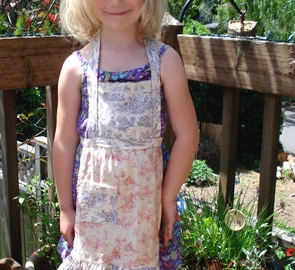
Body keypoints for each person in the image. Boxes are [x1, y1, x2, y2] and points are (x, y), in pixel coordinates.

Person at [52, 0, 199, 269]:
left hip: (145, 212)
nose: (116, 2)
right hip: (93, 211)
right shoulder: (75, 68)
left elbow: (188, 134)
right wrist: (65, 209)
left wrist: (168, 197)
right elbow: (63, 141)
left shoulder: (166, 62)